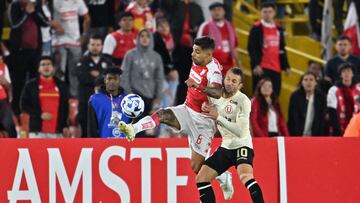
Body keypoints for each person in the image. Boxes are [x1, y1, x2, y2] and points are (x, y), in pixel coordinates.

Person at [118, 36, 233, 197]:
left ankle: (223, 176)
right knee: (163, 114)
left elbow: (217, 92)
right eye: (193, 50)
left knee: (196, 167)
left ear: (208, 55)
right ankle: (133, 129)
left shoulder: (214, 71)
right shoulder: (198, 60)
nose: (193, 54)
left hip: (203, 122)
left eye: (197, 52)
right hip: (187, 109)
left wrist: (199, 86)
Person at [196, 67, 264, 203]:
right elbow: (204, 103)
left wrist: (218, 117)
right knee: (201, 178)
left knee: (245, 176)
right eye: (228, 79)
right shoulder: (215, 96)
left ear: (240, 86)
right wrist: (205, 107)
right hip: (226, 147)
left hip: (242, 145)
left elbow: (241, 131)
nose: (229, 83)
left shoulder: (243, 101)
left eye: (234, 81)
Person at [19, 56, 69, 138]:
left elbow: (65, 107)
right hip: (37, 132)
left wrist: (65, 126)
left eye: (49, 64)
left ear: (53, 68)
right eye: (43, 64)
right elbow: (23, 105)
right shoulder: (31, 85)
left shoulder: (62, 85)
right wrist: (39, 115)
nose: (46, 67)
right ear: (39, 69)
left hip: (57, 133)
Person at [247, 2, 290, 96]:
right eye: (265, 12)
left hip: (276, 68)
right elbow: (251, 48)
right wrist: (256, 65)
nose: (267, 14)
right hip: (262, 68)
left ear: (274, 13)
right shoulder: (256, 28)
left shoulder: (278, 28)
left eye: (270, 12)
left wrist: (286, 65)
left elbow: (282, 48)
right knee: (260, 96)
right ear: (261, 13)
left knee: (275, 95)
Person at [121, 29, 164, 121]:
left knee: (147, 127)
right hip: (134, 96)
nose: (145, 38)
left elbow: (159, 78)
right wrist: (130, 95)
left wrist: (158, 97)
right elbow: (125, 75)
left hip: (150, 96)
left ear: (151, 39)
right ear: (138, 38)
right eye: (142, 36)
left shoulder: (156, 57)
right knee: (134, 128)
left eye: (147, 36)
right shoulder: (130, 55)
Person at [75, 34, 113, 138]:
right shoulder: (82, 61)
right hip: (86, 101)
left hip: (104, 103)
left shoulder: (107, 62)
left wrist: (94, 76)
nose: (95, 47)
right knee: (85, 129)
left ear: (102, 46)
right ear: (88, 46)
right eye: (92, 44)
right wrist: (101, 77)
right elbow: (82, 77)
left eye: (98, 45)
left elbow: (111, 80)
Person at [52, 0, 90, 97]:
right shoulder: (54, 2)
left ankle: (75, 96)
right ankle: (59, 94)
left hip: (75, 40)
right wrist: (54, 25)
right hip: (58, 40)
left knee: (75, 70)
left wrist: (85, 35)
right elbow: (45, 16)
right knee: (60, 70)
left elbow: (87, 18)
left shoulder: (78, 1)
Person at [197, 2, 241, 74]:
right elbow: (198, 49)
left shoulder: (230, 26)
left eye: (219, 9)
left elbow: (234, 47)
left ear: (224, 11)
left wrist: (239, 63)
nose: (217, 12)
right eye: (214, 10)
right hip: (211, 68)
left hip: (229, 67)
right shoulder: (205, 26)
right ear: (210, 12)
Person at [87, 68, 131, 138]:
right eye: (109, 79)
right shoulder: (95, 100)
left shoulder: (128, 100)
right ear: (105, 80)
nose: (112, 81)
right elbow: (91, 127)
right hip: (102, 144)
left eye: (115, 79)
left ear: (119, 80)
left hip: (125, 143)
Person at [288, 72, 327, 136]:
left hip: (315, 136)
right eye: (305, 80)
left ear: (315, 82)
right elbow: (292, 118)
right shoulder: (295, 96)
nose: (308, 82)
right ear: (302, 82)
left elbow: (322, 119)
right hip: (297, 135)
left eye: (311, 80)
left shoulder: (321, 97)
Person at [327, 63, 360, 136]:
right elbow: (332, 112)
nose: (346, 74)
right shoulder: (333, 90)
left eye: (349, 71)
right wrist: (337, 130)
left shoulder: (359, 89)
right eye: (344, 71)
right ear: (340, 75)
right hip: (338, 129)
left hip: (356, 129)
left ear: (353, 74)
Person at [0, 51, 17, 138]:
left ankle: (12, 147)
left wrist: (4, 82)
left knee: (9, 127)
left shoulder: (3, 67)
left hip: (2, 100)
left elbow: (9, 86)